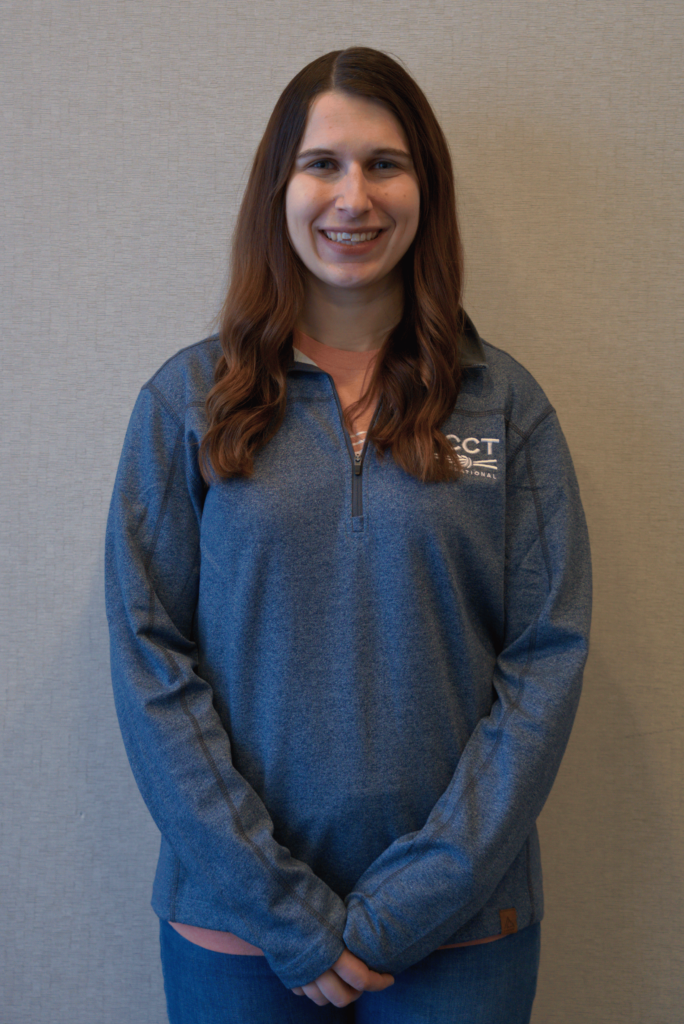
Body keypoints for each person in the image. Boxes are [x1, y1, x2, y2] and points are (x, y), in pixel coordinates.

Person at [105, 47, 592, 1024]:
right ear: (277, 188)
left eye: (385, 163)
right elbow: (148, 660)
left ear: (427, 188)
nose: (353, 196)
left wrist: (404, 907)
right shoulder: (187, 404)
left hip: (459, 935)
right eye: (322, 163)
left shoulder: (505, 404)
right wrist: (284, 911)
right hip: (237, 937)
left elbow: (546, 660)